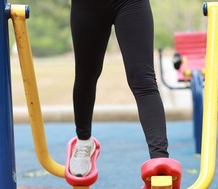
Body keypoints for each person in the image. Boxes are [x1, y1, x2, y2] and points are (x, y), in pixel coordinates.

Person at [69, 0, 170, 178]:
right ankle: (84, 142)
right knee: (86, 77)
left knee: (143, 80)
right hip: (86, 5)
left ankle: (160, 162)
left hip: (130, 3)